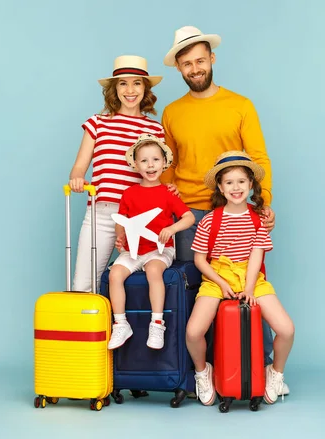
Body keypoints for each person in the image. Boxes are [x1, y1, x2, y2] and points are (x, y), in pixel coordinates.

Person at [161, 26, 288, 393]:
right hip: (187, 216)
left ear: (212, 59)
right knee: (197, 295)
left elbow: (258, 157)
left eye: (200, 60)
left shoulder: (240, 105)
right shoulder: (172, 112)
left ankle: (254, 369)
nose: (195, 68)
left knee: (249, 292)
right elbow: (168, 167)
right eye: (187, 64)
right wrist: (166, 213)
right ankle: (201, 374)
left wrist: (264, 203)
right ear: (180, 69)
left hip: (235, 212)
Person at [185, 151, 294, 405]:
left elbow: (256, 257)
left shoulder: (258, 221)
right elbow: (200, 260)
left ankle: (274, 373)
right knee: (193, 332)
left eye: (242, 182)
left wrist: (248, 288)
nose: (236, 187)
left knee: (286, 329)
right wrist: (221, 283)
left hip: (251, 276)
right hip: (216, 276)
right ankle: (203, 372)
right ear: (221, 188)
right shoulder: (209, 221)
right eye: (230, 182)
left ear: (251, 185)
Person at [68, 55, 167, 293]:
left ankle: (129, 328)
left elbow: (157, 172)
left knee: (139, 283)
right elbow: (80, 165)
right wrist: (77, 178)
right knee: (84, 284)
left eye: (137, 83)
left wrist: (167, 188)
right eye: (123, 83)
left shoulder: (154, 129)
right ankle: (89, 330)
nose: (130, 90)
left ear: (146, 88)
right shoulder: (98, 123)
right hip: (102, 214)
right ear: (114, 89)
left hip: (141, 215)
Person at [107, 134, 195, 350]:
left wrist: (171, 229)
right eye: (144, 160)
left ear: (164, 163)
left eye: (155, 159)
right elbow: (122, 221)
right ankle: (121, 323)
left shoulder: (168, 193)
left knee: (154, 272)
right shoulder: (129, 193)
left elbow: (189, 217)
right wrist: (120, 236)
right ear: (135, 165)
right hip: (133, 250)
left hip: (160, 249)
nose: (150, 165)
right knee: (114, 274)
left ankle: (157, 324)